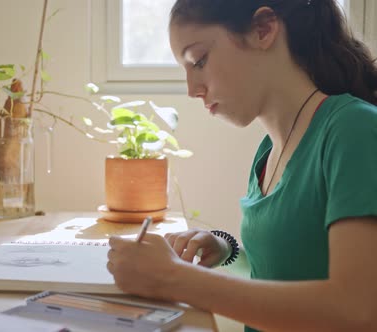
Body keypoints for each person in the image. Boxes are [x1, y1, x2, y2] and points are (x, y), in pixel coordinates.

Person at [106, 1, 377, 331]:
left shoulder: (354, 130)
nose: (192, 90)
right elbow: (286, 269)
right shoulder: (269, 150)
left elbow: (357, 310)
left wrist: (172, 278)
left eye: (199, 61)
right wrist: (223, 251)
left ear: (263, 29)